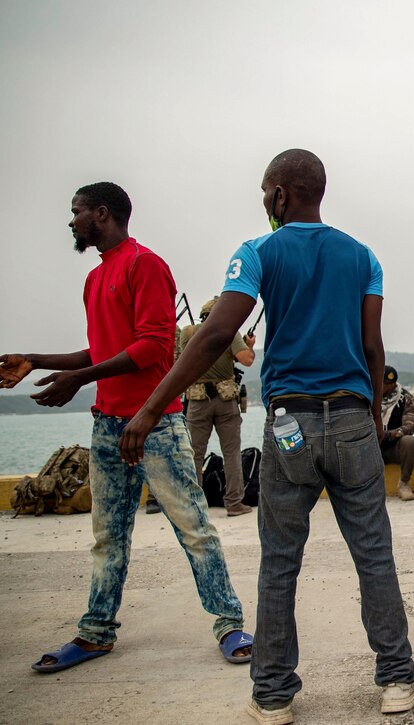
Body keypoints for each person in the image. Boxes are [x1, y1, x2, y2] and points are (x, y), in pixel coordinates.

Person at [116, 150, 414, 719]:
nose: (265, 203)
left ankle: (274, 694)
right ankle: (397, 681)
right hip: (354, 418)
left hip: (289, 426)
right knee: (374, 556)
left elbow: (213, 337)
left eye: (266, 193)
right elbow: (373, 348)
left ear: (281, 194)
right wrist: (375, 414)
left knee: (280, 561)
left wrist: (153, 407)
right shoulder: (364, 257)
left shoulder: (257, 252)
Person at [0, 182, 252, 674]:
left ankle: (229, 624)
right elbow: (100, 351)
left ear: (102, 213)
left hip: (156, 424)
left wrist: (83, 379)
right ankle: (95, 633)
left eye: (76, 212)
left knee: (195, 530)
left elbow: (154, 349)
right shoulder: (95, 280)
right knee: (107, 536)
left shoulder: (145, 265)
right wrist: (35, 360)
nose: (71, 221)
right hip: (107, 426)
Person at [178, 296, 256, 516]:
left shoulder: (188, 332)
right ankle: (234, 503)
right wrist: (248, 346)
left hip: (197, 401)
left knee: (194, 454)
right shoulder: (228, 331)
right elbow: (247, 360)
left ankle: (193, 507)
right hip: (225, 401)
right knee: (231, 453)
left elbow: (184, 359)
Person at [380, 365, 414, 501]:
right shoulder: (368, 397)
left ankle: (404, 484)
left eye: (384, 384)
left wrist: (388, 434)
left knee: (410, 442)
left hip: (393, 446)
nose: (380, 386)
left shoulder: (406, 399)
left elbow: (409, 426)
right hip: (372, 445)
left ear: (392, 384)